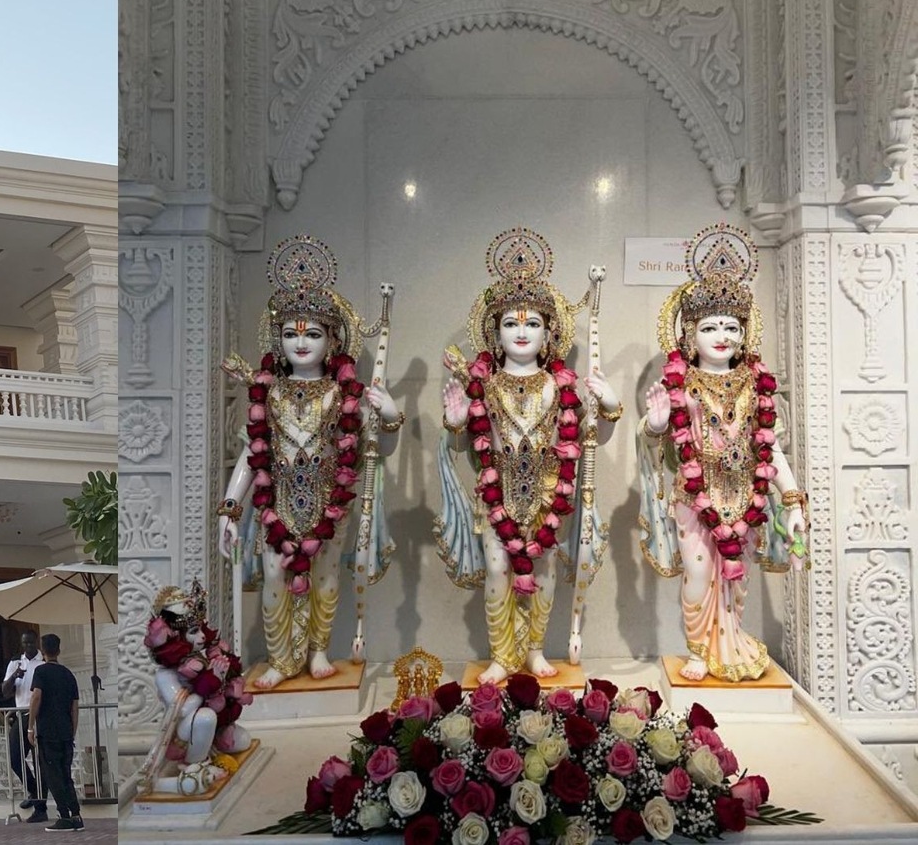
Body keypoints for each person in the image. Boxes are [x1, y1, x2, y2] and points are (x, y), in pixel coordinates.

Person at [217, 234, 401, 689]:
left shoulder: (343, 394)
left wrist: (390, 409)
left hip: (327, 505)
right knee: (276, 579)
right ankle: (282, 659)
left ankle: (319, 651)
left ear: (333, 341)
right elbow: (250, 451)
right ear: (278, 342)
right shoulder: (270, 392)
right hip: (276, 504)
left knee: (324, 580)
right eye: (291, 334)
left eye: (314, 334)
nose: (302, 343)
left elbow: (378, 437)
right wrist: (230, 508)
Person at [439, 230, 621, 685]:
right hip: (496, 494)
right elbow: (469, 442)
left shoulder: (559, 386)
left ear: (549, 332)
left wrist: (611, 404)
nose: (522, 331)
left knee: (541, 572)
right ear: (495, 333)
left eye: (533, 323)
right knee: (498, 572)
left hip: (546, 494)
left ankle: (536, 649)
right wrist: (458, 420)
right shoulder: (485, 384)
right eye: (511, 323)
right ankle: (502, 654)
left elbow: (589, 433)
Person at [637, 223, 808, 682]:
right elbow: (659, 438)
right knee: (697, 575)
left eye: (731, 326)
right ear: (689, 334)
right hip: (695, 498)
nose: (722, 335)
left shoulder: (756, 386)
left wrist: (791, 500)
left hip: (745, 497)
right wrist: (653, 426)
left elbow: (770, 449)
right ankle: (698, 649)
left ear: (744, 334)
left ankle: (730, 642)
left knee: (736, 578)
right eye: (710, 326)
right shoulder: (684, 384)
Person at [141, 581, 252, 796]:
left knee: (242, 741)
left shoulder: (200, 658)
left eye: (201, 629)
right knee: (206, 717)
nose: (202, 636)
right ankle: (196, 764)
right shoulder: (166, 675)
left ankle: (213, 749)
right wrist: (207, 687)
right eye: (194, 631)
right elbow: (181, 710)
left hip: (208, 724)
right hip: (183, 733)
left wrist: (224, 682)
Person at [28, 634, 82, 832]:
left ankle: (64, 816)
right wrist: (72, 730)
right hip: (65, 731)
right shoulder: (69, 675)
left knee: (53, 775)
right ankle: (75, 814)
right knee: (65, 774)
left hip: (48, 730)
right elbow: (75, 707)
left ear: (43, 651)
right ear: (59, 650)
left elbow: (36, 697)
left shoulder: (41, 671)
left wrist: (30, 726)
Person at [1, 630, 45, 822]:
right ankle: (35, 792)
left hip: (39, 716)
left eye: (30, 643)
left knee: (38, 762)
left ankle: (41, 809)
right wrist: (15, 676)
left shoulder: (43, 663)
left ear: (36, 643)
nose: (27, 646)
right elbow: (5, 692)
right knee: (14, 758)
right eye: (24, 643)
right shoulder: (15, 663)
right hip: (21, 715)